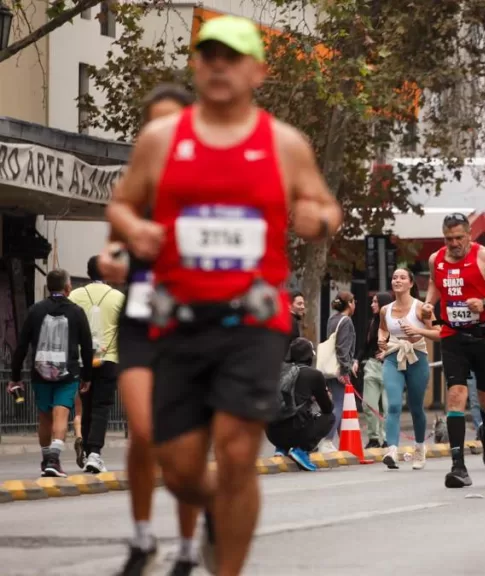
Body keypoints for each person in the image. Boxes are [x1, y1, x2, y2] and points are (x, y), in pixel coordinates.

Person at [105, 15, 343, 575]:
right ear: (196, 66)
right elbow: (121, 201)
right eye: (208, 55)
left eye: (231, 56)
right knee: (181, 468)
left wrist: (318, 219)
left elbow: (323, 206)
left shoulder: (283, 144)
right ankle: (219, 506)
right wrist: (133, 230)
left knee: (237, 454)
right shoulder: (163, 140)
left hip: (253, 322)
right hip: (179, 321)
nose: (218, 65)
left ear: (257, 71)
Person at [97, 83, 202, 576]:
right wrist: (111, 259)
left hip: (194, 327)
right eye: (152, 124)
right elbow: (113, 248)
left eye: (172, 123)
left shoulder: (212, 185)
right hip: (141, 320)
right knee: (143, 432)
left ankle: (186, 545)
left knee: (186, 444)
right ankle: (142, 538)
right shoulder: (136, 187)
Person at [420, 212, 485, 488]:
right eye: (448, 238)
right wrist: (429, 303)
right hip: (453, 336)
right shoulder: (436, 259)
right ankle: (458, 466)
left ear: (469, 234)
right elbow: (434, 283)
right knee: (456, 395)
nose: (453, 243)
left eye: (458, 238)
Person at [8, 269, 93, 479]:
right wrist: (87, 376)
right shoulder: (77, 312)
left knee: (44, 417)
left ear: (48, 287)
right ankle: (54, 460)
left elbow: (21, 346)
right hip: (68, 373)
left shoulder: (35, 310)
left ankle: (46, 460)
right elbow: (87, 347)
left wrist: (15, 375)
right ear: (67, 287)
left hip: (40, 372)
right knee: (61, 414)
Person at [68, 255, 125, 474]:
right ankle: (95, 454)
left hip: (82, 360)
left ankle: (90, 447)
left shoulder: (74, 295)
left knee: (86, 404)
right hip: (109, 358)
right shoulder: (118, 298)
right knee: (102, 406)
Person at [380, 267, 439, 470]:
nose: (397, 280)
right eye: (395, 277)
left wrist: (417, 330)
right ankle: (392, 450)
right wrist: (381, 338)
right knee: (394, 405)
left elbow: (438, 332)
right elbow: (382, 328)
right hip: (393, 357)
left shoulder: (422, 308)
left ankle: (420, 448)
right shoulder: (385, 309)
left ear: (411, 283)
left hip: (417, 357)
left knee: (416, 408)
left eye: (402, 277)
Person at [268, 338, 335, 471]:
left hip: (271, 433)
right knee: (329, 417)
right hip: (295, 431)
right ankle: (301, 450)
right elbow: (327, 407)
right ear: (310, 356)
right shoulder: (314, 375)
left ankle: (281, 448)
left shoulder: (278, 370)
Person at [323, 291, 357, 451]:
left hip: (329, 368)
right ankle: (327, 441)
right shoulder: (346, 321)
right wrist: (344, 370)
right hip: (339, 369)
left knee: (339, 404)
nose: (354, 304)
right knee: (339, 404)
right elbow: (342, 348)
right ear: (349, 304)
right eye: (353, 301)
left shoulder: (332, 319)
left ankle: (344, 441)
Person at [360, 292, 393, 449]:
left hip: (390, 367)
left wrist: (388, 352)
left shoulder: (394, 323)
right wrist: (355, 360)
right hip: (372, 365)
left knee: (388, 407)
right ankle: (374, 438)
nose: (372, 304)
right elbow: (365, 346)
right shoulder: (372, 322)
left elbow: (403, 344)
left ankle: (387, 439)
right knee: (369, 404)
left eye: (375, 302)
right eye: (372, 302)